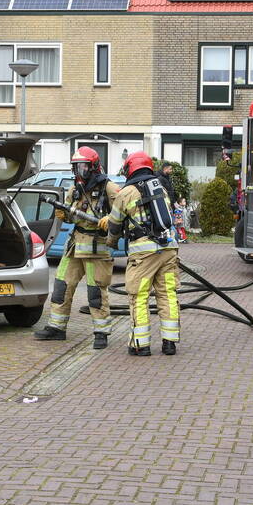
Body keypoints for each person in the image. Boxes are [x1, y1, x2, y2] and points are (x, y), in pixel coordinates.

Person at [33, 147, 120, 350]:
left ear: (93, 166)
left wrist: (111, 219)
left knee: (95, 291)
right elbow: (71, 216)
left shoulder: (109, 188)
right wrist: (63, 214)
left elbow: (124, 212)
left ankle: (101, 333)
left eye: (84, 166)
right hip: (74, 245)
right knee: (61, 286)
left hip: (96, 248)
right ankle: (57, 328)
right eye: (77, 166)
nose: (80, 170)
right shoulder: (75, 190)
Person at [107, 151, 181, 356]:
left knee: (139, 296)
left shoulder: (126, 193)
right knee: (167, 294)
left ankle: (140, 344)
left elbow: (114, 225)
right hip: (168, 250)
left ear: (130, 169)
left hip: (143, 255)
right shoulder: (161, 188)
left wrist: (110, 243)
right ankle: (170, 343)